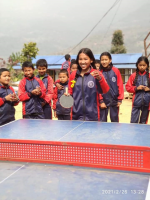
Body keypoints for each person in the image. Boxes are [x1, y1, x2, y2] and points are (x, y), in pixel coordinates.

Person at [68, 48, 109, 121]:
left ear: (91, 60)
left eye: (85, 59)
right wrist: (67, 94)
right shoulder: (73, 75)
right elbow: (70, 92)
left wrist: (100, 79)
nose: (82, 62)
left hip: (93, 115)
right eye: (80, 59)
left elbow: (105, 90)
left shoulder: (96, 73)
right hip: (76, 115)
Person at [99, 52, 124, 122]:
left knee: (114, 120)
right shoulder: (99, 72)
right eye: (102, 60)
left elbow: (120, 84)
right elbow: (97, 88)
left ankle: (115, 133)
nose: (104, 62)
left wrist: (119, 99)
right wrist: (101, 101)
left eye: (106, 59)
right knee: (102, 121)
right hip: (103, 100)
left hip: (114, 100)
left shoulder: (115, 70)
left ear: (110, 60)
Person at [125, 56, 150, 124]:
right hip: (136, 103)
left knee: (143, 123)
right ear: (137, 65)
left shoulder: (149, 76)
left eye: (144, 65)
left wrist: (149, 89)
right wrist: (136, 88)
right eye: (140, 65)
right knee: (133, 122)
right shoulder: (133, 76)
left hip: (147, 103)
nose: (142, 67)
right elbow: (127, 87)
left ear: (147, 65)